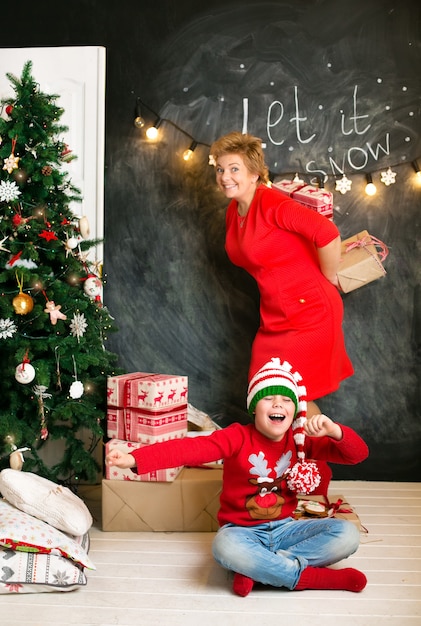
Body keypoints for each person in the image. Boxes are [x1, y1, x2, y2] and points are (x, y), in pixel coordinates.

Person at [105, 357, 369, 597]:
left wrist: (335, 431)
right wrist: (135, 458)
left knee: (347, 534)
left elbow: (357, 454)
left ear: (294, 410)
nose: (278, 403)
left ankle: (259, 569)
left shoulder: (300, 440)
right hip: (241, 533)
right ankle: (306, 577)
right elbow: (188, 449)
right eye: (269, 398)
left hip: (287, 528)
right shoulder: (236, 437)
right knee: (224, 548)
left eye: (286, 399)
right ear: (254, 407)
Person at [209, 131, 353, 416]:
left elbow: (327, 233)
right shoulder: (235, 210)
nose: (225, 176)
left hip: (309, 313)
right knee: (271, 394)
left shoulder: (272, 204)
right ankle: (303, 455)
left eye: (234, 169)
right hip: (276, 315)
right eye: (220, 169)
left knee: (285, 394)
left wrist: (330, 277)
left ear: (254, 174)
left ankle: (322, 453)